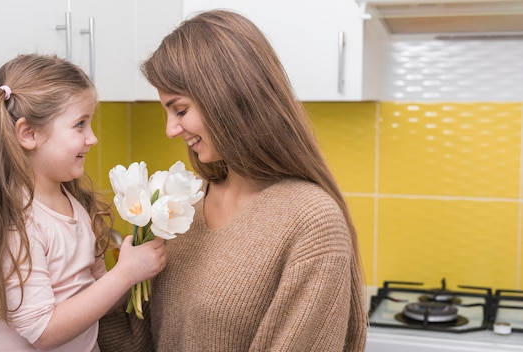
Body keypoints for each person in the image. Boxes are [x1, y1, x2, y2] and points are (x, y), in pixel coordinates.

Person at [98, 9, 367, 352]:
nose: (170, 130)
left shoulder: (311, 221)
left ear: (226, 97)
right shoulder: (182, 207)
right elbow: (136, 342)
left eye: (179, 110)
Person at [0, 54, 167, 352]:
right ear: (29, 134)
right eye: (80, 124)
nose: (92, 138)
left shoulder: (74, 202)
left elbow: (97, 298)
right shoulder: (19, 223)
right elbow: (43, 333)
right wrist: (125, 273)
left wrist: (132, 270)